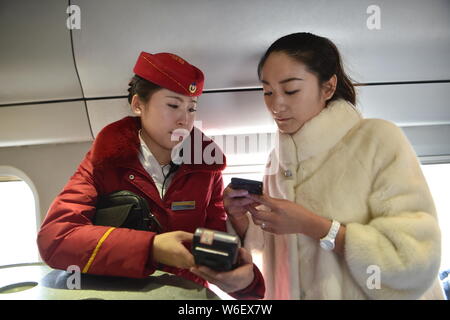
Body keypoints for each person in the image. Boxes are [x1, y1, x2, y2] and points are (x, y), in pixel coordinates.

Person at [224, 32, 444, 300]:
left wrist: (318, 227)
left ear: (327, 88)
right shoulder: (278, 161)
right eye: (267, 91)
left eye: (290, 90)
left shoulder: (376, 140)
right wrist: (240, 218)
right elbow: (278, 245)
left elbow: (415, 257)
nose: (275, 104)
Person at [37, 51, 264, 299]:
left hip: (186, 295)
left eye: (191, 108)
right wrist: (152, 248)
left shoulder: (205, 171)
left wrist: (246, 281)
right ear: (138, 105)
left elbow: (211, 240)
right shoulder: (104, 161)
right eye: (173, 105)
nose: (184, 120)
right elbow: (57, 238)